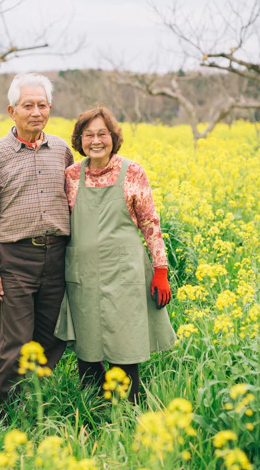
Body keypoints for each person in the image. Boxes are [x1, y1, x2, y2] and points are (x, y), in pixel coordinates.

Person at [55, 105, 176, 402]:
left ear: (113, 137)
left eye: (102, 134)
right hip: (83, 275)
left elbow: (150, 222)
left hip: (125, 273)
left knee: (124, 343)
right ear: (79, 140)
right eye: (88, 135)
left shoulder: (132, 171)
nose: (96, 141)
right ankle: (91, 411)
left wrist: (161, 270)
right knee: (87, 344)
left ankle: (127, 413)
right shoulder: (71, 175)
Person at [0, 73, 73, 422]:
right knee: (14, 348)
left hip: (57, 256)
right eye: (28, 106)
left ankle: (37, 411)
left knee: (52, 341)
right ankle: (1, 419)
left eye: (42, 105)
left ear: (50, 109)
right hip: (15, 260)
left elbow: (76, 203)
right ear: (12, 110)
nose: (36, 112)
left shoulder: (61, 150)